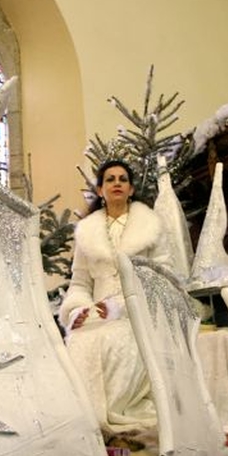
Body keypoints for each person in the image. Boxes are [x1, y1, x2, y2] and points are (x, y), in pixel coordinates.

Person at [59, 160, 172, 440]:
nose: (117, 183)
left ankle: (118, 418)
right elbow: (80, 282)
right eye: (110, 179)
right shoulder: (86, 233)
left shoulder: (151, 227)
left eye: (123, 179)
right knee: (78, 343)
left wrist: (120, 306)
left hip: (139, 315)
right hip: (95, 317)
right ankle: (88, 426)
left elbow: (163, 275)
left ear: (131, 188)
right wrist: (77, 311)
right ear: (100, 190)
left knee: (115, 342)